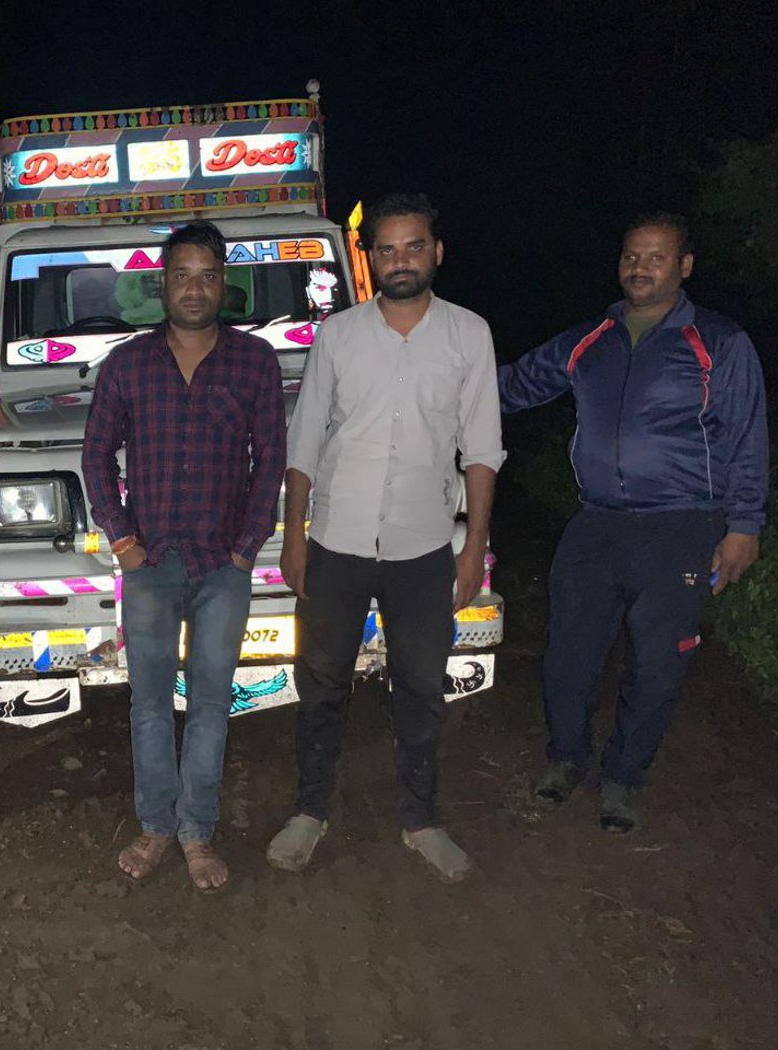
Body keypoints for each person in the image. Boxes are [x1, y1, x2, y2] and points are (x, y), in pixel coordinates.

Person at [499, 213, 767, 833]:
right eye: (630, 256)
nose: (639, 268)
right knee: (569, 652)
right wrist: (435, 379)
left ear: (684, 266)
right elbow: (514, 386)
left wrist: (743, 525)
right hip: (596, 525)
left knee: (657, 662)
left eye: (655, 257)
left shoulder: (720, 342)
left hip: (682, 525)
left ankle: (624, 777)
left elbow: (747, 438)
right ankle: (566, 760)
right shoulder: (590, 337)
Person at [267, 193, 504, 882]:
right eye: (387, 249)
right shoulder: (339, 336)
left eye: (413, 246)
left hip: (423, 548)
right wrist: (293, 536)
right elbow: (305, 441)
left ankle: (421, 820)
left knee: (422, 688)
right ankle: (309, 812)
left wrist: (472, 548)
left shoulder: (469, 335)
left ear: (436, 252)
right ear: (370, 260)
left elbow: (482, 450)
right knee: (320, 684)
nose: (400, 260)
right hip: (335, 545)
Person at [83, 220, 285, 892]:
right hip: (150, 564)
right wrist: (121, 538)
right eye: (180, 275)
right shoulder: (128, 365)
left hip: (221, 566)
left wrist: (247, 544)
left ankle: (197, 830)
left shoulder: (254, 362)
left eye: (206, 275)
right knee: (147, 703)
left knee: (208, 701)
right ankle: (155, 826)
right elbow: (95, 454)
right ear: (161, 284)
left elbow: (272, 461)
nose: (193, 288)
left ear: (223, 283)